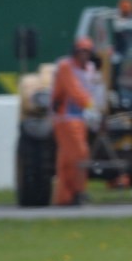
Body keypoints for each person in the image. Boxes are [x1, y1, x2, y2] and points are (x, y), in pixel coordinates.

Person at [50, 36, 99, 206]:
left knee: (66, 160)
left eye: (87, 51)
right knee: (80, 154)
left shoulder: (91, 69)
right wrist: (90, 105)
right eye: (80, 51)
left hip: (81, 118)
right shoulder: (65, 66)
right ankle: (79, 191)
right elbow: (74, 90)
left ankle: (65, 197)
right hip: (66, 118)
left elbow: (93, 89)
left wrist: (95, 108)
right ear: (75, 51)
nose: (83, 55)